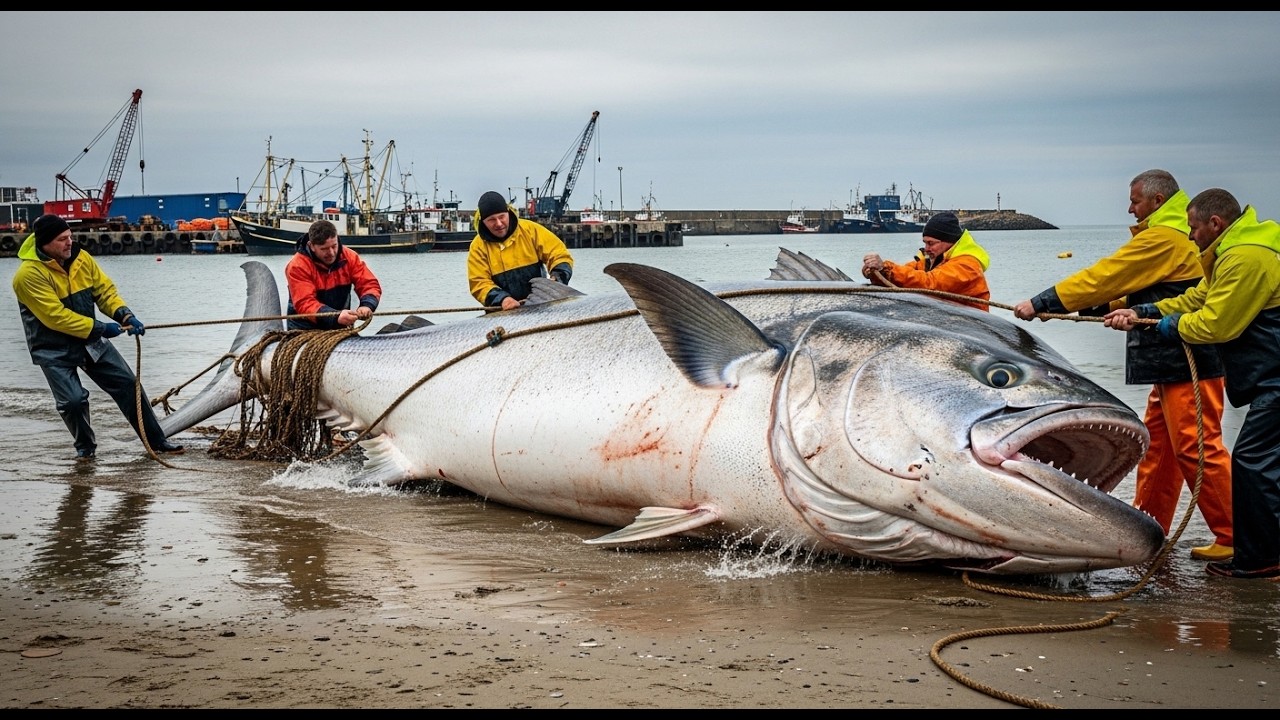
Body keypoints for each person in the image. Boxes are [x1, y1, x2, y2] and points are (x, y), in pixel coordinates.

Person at [1012, 170, 1233, 562]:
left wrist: (1045, 301)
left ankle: (1238, 537)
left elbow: (1108, 275)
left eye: (1134, 200)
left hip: (1190, 360)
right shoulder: (1173, 235)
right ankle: (1149, 529)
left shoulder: (1165, 237)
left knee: (1198, 448)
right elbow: (1134, 288)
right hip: (1169, 363)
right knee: (1162, 449)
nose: (1129, 208)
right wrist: (1092, 308)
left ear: (1158, 200)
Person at [1105, 189, 1280, 580]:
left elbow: (1217, 323)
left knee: (1253, 463)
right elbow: (1200, 297)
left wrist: (1168, 328)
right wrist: (1145, 311)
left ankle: (1261, 559)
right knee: (1257, 463)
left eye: (1194, 227)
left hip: (1275, 379)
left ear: (1215, 224)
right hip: (1268, 376)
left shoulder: (1246, 257)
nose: (1190, 236)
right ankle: (1254, 550)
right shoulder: (1233, 251)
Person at [10, 214, 184, 459]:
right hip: (53, 349)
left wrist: (125, 316)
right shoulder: (27, 276)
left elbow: (104, 291)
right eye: (62, 239)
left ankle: (157, 441)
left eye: (70, 236)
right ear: (45, 243)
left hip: (90, 342)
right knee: (72, 402)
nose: (70, 242)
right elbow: (55, 316)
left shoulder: (82, 258)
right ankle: (86, 449)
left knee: (128, 386)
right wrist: (102, 328)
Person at [860, 211, 991, 311]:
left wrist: (886, 268)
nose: (926, 249)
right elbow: (907, 274)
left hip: (972, 327)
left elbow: (930, 283)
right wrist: (878, 273)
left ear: (949, 241)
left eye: (931, 243)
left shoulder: (967, 265)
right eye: (925, 243)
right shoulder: (931, 260)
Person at [467, 191, 574, 310]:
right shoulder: (478, 247)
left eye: (502, 217)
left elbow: (559, 254)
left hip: (541, 305)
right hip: (502, 311)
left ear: (508, 213)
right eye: (492, 220)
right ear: (483, 222)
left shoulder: (530, 230)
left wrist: (557, 280)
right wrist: (502, 299)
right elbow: (478, 282)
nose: (498, 223)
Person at [284, 219, 382, 330]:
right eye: (324, 249)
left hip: (340, 325)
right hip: (304, 328)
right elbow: (305, 303)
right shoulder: (297, 266)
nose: (331, 253)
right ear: (311, 246)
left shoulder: (349, 257)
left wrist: (367, 305)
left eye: (334, 246)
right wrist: (335, 317)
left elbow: (368, 283)